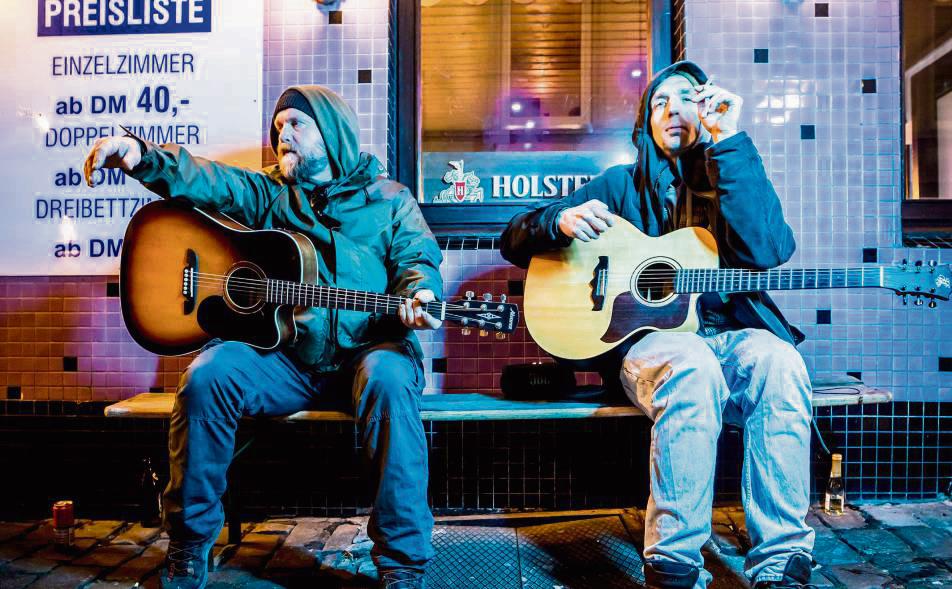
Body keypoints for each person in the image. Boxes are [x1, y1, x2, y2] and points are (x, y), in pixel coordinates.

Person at [84, 85, 442, 589]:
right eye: (278, 128)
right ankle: (188, 547)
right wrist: (143, 156)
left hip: (370, 353)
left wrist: (421, 295)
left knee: (387, 378)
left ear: (333, 132)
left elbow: (417, 260)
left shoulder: (390, 200)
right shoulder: (270, 192)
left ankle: (403, 567)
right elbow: (210, 181)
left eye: (296, 124)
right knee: (211, 374)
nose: (283, 136)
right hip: (289, 359)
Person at [500, 61, 815, 589]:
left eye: (687, 99)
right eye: (659, 102)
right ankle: (674, 563)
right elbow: (514, 239)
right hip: (645, 347)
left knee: (780, 361)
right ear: (645, 122)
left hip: (726, 336)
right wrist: (556, 220)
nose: (672, 110)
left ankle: (781, 560)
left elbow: (768, 250)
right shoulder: (619, 186)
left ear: (708, 110)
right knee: (690, 365)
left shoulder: (729, 178)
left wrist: (731, 142)